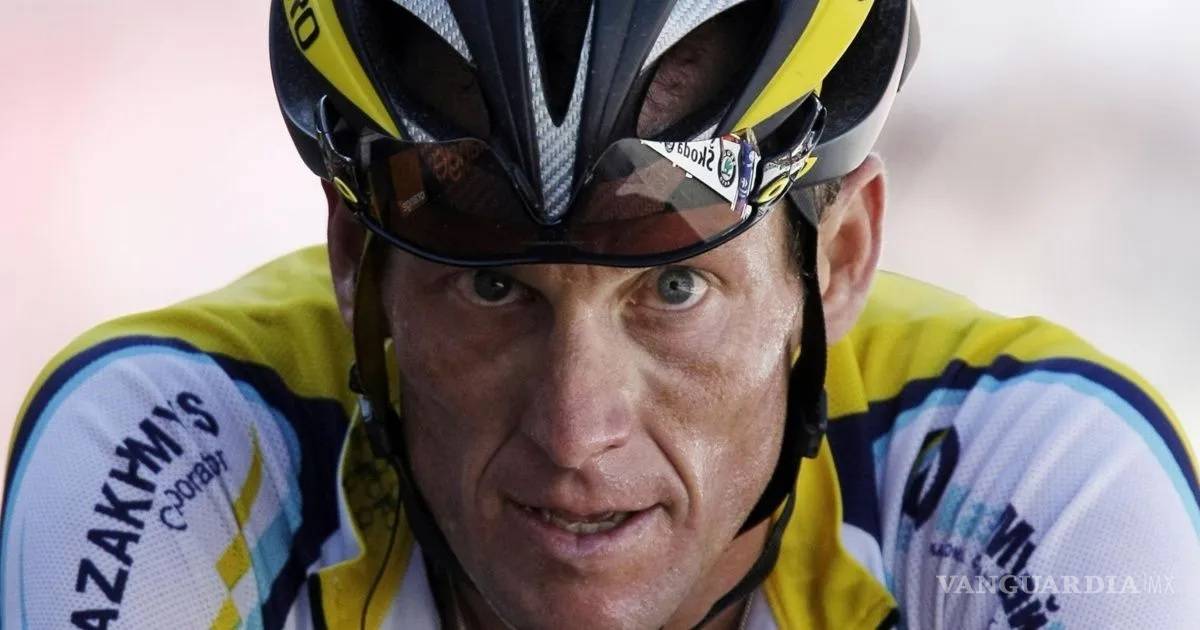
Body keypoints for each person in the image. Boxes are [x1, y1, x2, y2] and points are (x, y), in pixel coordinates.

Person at [3, 0, 1198, 628]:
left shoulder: (1041, 484)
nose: (577, 432)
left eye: (672, 288)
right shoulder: (173, 451)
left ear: (839, 264)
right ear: (357, 263)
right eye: (492, 287)